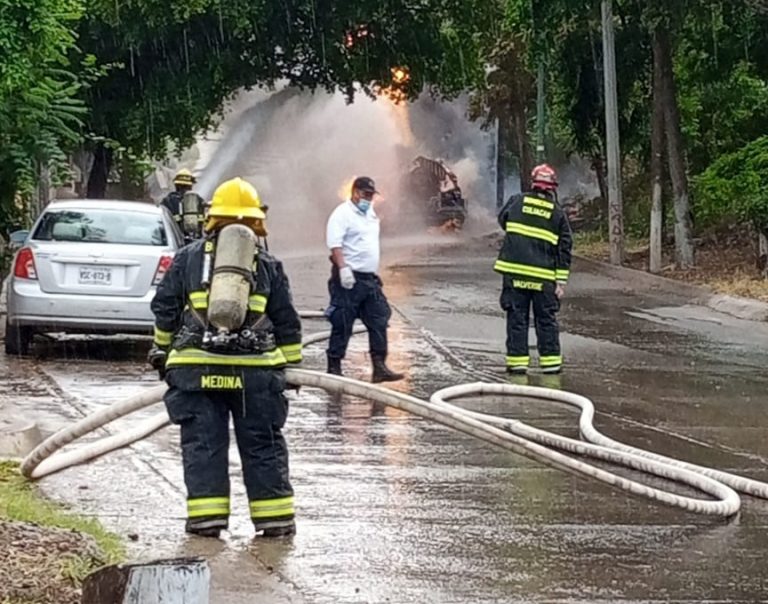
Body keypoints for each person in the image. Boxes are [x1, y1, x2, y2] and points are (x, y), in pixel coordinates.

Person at [149, 177, 303, 539]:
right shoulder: (266, 264)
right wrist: (290, 369)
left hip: (195, 371)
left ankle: (207, 521)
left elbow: (164, 309)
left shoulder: (187, 259)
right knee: (262, 446)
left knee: (203, 447)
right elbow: (287, 322)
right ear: (256, 222)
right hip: (255, 375)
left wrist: (162, 351)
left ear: (211, 219)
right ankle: (275, 521)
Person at [494, 164, 572, 375]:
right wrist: (561, 282)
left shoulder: (515, 202)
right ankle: (551, 364)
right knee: (546, 320)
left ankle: (518, 364)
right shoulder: (558, 214)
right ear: (552, 188)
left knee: (516, 319)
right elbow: (565, 248)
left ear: (533, 184)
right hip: (544, 278)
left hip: (515, 275)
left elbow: (503, 221)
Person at [325, 176, 404, 383]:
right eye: (366, 195)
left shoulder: (369, 213)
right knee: (343, 322)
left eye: (371, 196)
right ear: (356, 192)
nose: (369, 199)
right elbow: (335, 245)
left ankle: (379, 366)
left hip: (369, 280)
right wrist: (343, 269)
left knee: (379, 319)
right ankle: (334, 366)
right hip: (348, 279)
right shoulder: (342, 214)